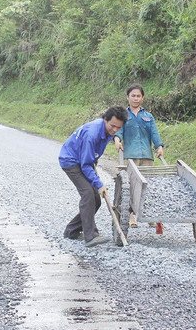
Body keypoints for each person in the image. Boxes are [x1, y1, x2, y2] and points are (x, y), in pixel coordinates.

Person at [59, 106, 128, 247]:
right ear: (105, 120)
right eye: (112, 126)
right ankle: (90, 236)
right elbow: (85, 165)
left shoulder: (107, 131)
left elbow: (90, 159)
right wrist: (99, 184)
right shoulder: (93, 133)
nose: (114, 130)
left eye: (118, 128)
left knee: (96, 200)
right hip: (71, 161)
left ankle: (71, 230)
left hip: (83, 160)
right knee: (88, 195)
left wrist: (94, 166)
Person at [114, 84, 164, 227]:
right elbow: (118, 131)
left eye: (138, 96)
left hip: (146, 156)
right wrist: (117, 140)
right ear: (128, 97)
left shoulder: (148, 116)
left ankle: (149, 216)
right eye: (133, 96)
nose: (136, 98)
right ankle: (131, 216)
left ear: (142, 98)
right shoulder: (123, 115)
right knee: (130, 185)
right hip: (130, 156)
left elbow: (154, 133)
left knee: (147, 185)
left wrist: (159, 146)